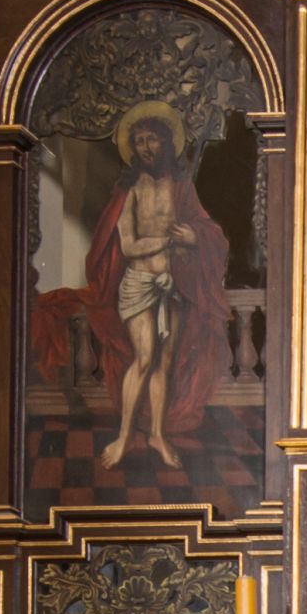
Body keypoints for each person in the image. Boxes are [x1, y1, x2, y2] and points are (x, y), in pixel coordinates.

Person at [86, 105, 227, 476]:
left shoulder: (182, 188)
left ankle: (157, 436)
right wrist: (167, 239)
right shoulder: (130, 191)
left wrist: (194, 236)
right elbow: (129, 246)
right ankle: (123, 436)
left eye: (152, 139)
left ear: (167, 142)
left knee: (164, 361)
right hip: (139, 283)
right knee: (145, 358)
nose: (146, 147)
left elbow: (207, 230)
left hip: (173, 284)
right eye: (139, 141)